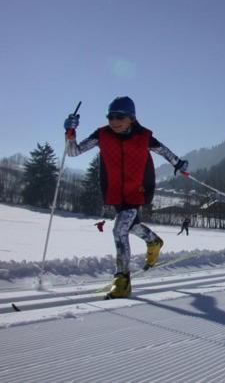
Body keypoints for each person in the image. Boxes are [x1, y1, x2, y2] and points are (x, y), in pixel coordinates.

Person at [64, 96, 188, 299]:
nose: (114, 121)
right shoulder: (102, 134)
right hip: (115, 191)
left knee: (119, 229)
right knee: (130, 226)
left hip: (137, 189)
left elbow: (165, 152)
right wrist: (70, 133)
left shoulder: (144, 136)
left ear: (131, 118)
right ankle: (153, 241)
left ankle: (122, 280)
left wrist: (179, 164)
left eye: (119, 117)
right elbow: (73, 152)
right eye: (110, 116)